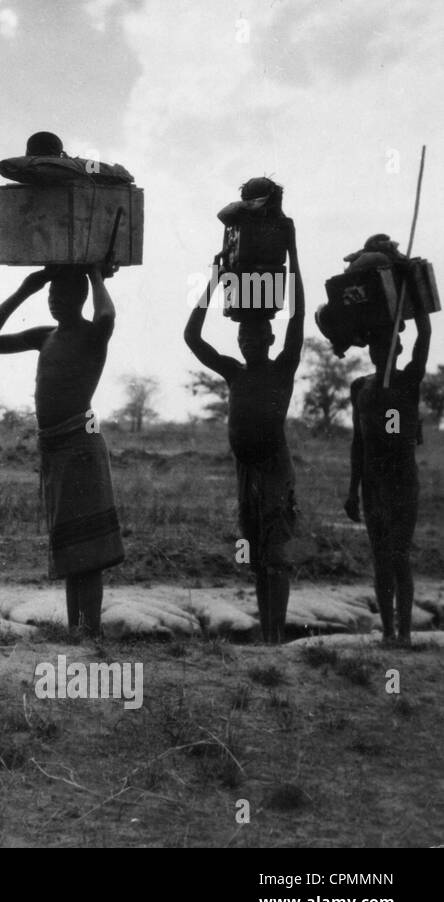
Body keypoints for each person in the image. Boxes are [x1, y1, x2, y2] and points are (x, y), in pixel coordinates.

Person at [0, 264, 123, 638]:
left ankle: (90, 630)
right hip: (55, 449)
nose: (55, 301)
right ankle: (80, 630)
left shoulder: (92, 335)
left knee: (90, 549)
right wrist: (25, 289)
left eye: (63, 295)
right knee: (72, 546)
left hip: (81, 446)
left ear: (81, 297)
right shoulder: (45, 336)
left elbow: (107, 313)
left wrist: (96, 275)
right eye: (52, 295)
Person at [184, 223, 304, 644]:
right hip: (246, 472)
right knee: (255, 553)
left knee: (276, 554)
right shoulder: (233, 372)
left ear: (269, 337)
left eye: (257, 333)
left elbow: (298, 316)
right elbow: (192, 337)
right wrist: (214, 282)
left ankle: (274, 634)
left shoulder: (281, 369)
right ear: (238, 337)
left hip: (274, 469)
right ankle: (267, 632)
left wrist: (293, 258)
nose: (250, 338)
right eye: (243, 333)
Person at [346, 301, 431, 644]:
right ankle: (388, 632)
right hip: (373, 482)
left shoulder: (409, 379)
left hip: (401, 480)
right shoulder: (360, 387)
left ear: (397, 347)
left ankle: (406, 633)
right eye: (377, 344)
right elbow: (357, 442)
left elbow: (424, 332)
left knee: (398, 554)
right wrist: (353, 491)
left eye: (389, 344)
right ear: (371, 348)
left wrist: (414, 295)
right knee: (381, 559)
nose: (383, 349)